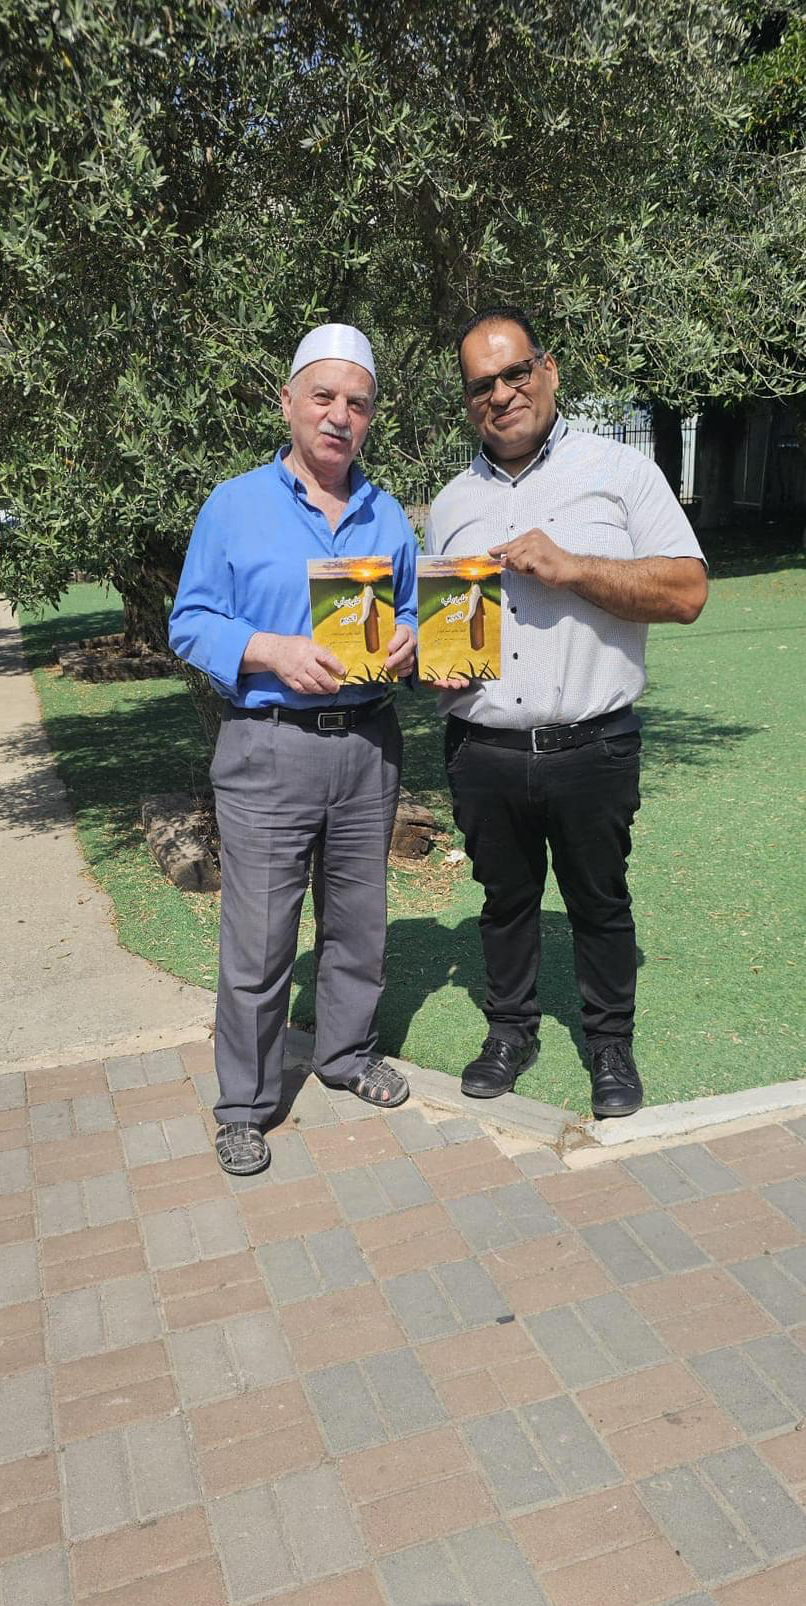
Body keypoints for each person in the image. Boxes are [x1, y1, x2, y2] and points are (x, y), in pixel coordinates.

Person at [427, 306, 707, 1118]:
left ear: (547, 370)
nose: (501, 394)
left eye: (515, 373)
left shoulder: (619, 473)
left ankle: (609, 1046)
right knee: (503, 903)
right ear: (467, 401)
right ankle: (509, 1032)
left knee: (598, 903)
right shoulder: (449, 503)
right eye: (481, 384)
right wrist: (432, 665)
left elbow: (687, 592)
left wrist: (571, 566)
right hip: (481, 746)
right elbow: (445, 625)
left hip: (593, 743)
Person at [169, 324, 417, 1176]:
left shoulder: (388, 515)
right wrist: (270, 650)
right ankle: (243, 1104)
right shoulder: (233, 505)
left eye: (357, 402)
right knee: (261, 940)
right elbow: (191, 622)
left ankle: (345, 1055)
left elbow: (411, 611)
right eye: (323, 397)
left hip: (367, 746)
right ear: (287, 403)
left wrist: (410, 639)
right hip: (268, 746)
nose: (339, 415)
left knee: (358, 923)